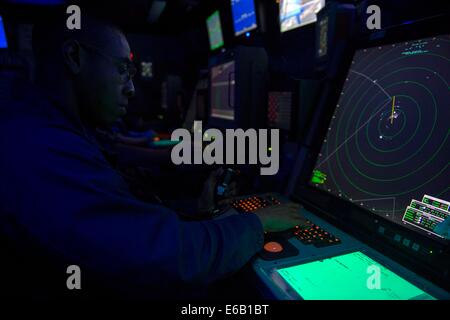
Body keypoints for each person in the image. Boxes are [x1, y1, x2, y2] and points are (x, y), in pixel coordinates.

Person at [0, 12, 305, 298]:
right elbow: (164, 257)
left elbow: (123, 219)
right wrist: (256, 223)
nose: (131, 89)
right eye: (122, 69)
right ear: (74, 57)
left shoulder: (48, 129)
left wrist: (199, 215)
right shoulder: (42, 152)